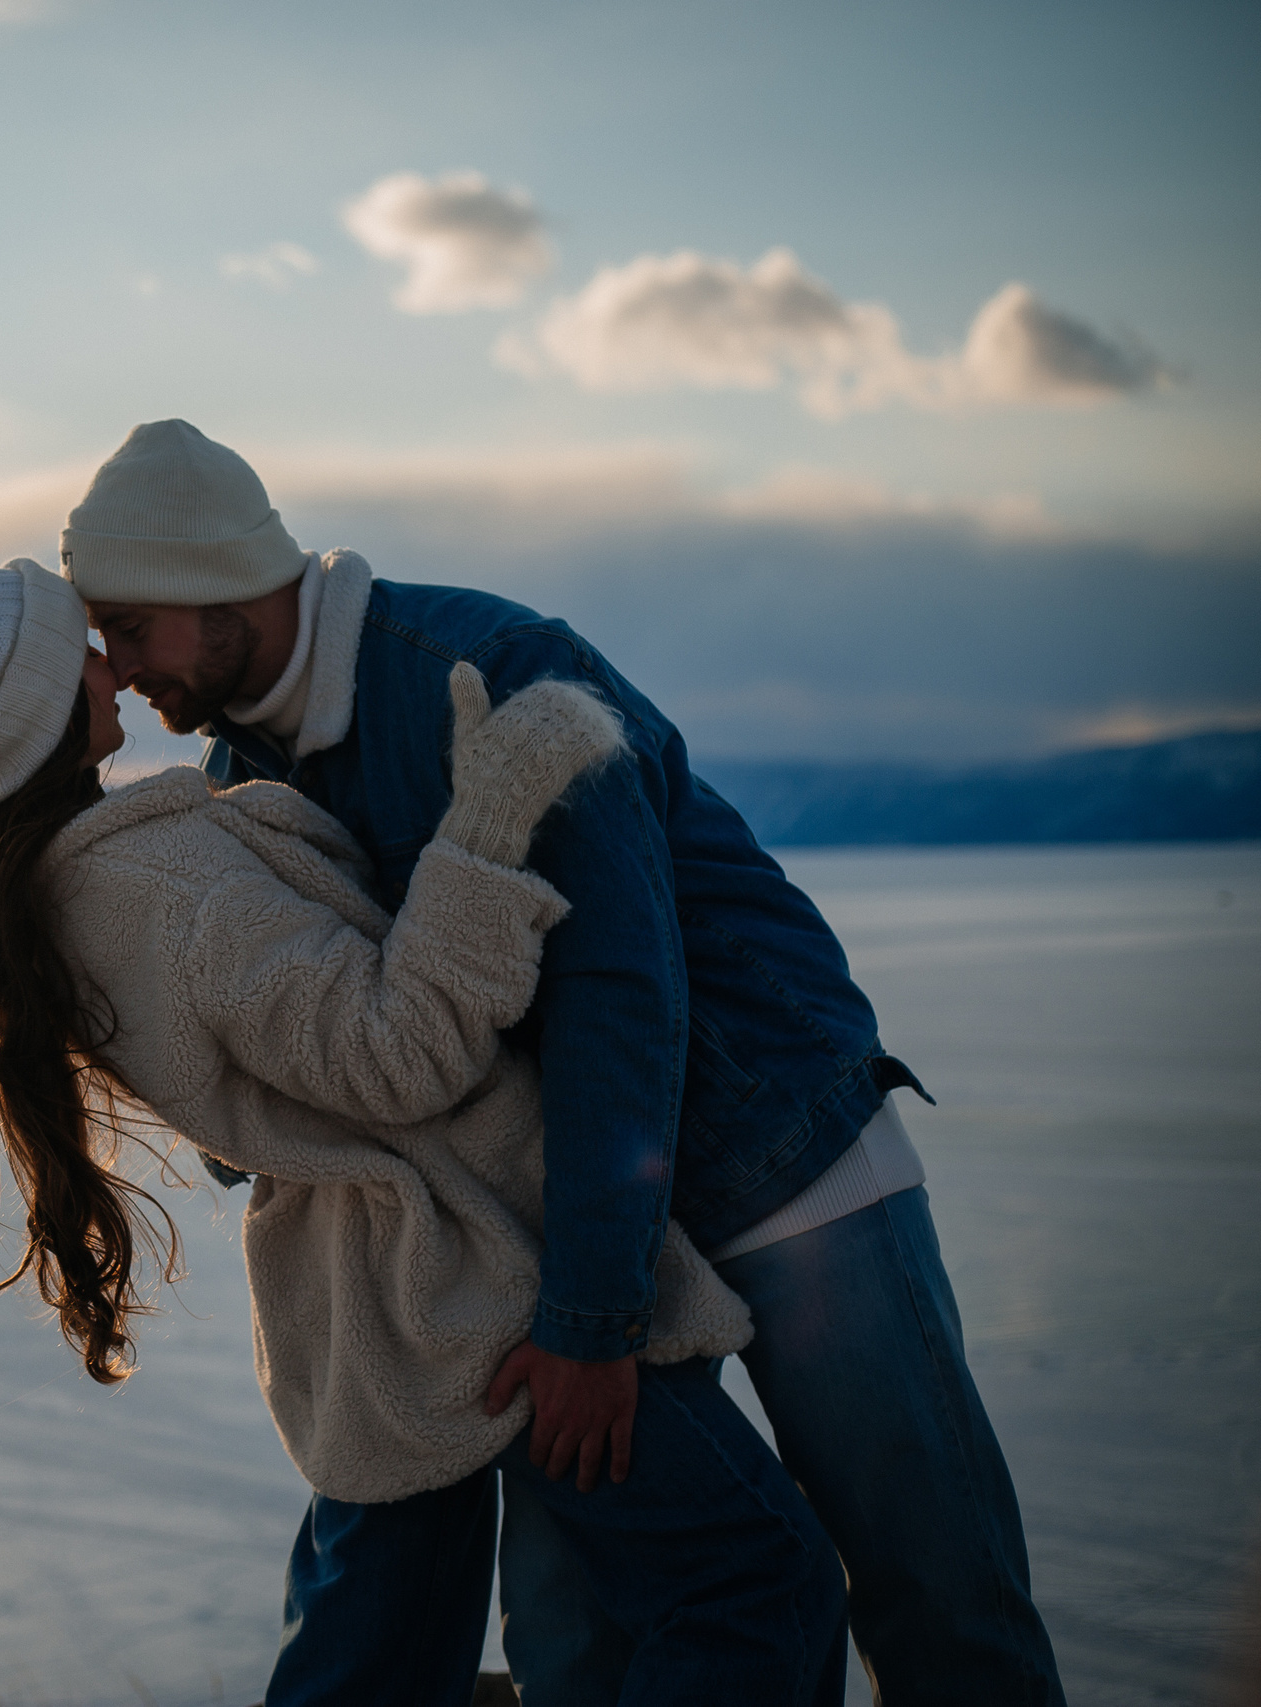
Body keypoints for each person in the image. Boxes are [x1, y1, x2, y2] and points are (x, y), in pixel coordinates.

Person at [0, 560, 848, 1705]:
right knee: (755, 1588)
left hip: (378, 1314)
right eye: (79, 655)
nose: (113, 669)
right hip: (471, 1285)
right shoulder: (158, 891)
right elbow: (397, 1057)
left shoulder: (79, 877)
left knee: (380, 1664)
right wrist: (484, 830)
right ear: (24, 702)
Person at [61, 419, 1066, 1705]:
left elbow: (617, 989)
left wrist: (590, 1323)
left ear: (212, 586)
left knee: (933, 1582)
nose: (117, 664)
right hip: (572, 1223)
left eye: (129, 625)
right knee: (572, 1639)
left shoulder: (487, 671)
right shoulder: (237, 776)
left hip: (776, 1161)